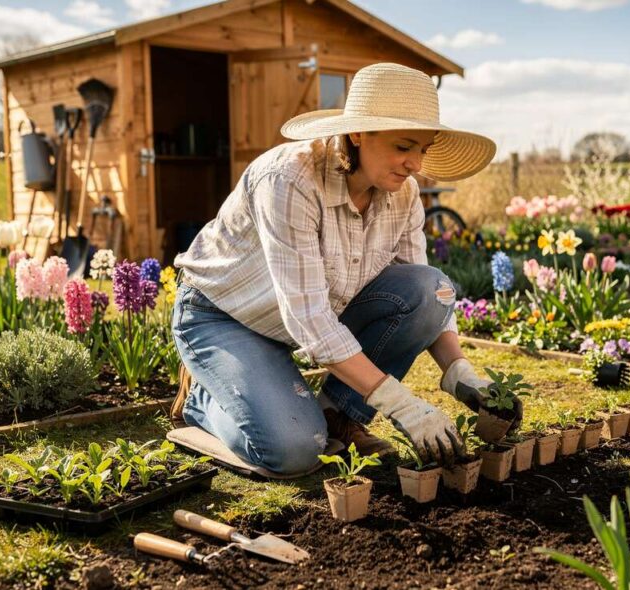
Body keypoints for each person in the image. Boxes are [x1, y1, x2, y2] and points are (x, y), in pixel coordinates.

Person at [171, 63, 521, 476]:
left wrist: (461, 373)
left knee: (429, 288)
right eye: (403, 146)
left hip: (294, 321)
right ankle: (204, 399)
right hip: (225, 317)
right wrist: (400, 404)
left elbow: (427, 295)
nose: (415, 164)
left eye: (423, 150)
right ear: (358, 134)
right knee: (296, 450)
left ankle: (339, 413)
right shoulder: (290, 180)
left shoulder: (403, 193)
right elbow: (310, 319)